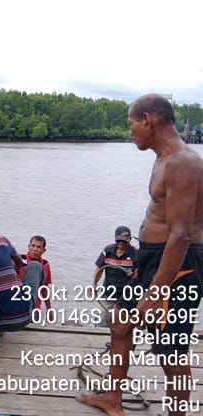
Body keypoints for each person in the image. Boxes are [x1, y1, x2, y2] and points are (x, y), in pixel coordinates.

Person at [78, 94, 203, 416]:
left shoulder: (183, 162)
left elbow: (181, 234)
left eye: (132, 124)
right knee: (120, 323)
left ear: (149, 120)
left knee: (170, 352)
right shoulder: (163, 158)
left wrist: (157, 289)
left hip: (178, 266)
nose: (130, 131)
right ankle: (113, 398)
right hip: (151, 259)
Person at [0, 222, 44, 332]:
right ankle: (32, 313)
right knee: (35, 265)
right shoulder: (1, 241)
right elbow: (18, 261)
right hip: (22, 318)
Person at [93, 226, 138, 326]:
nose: (121, 243)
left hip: (126, 297)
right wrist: (94, 284)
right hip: (108, 294)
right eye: (118, 241)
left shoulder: (136, 254)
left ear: (130, 239)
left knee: (123, 324)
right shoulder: (108, 250)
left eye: (124, 241)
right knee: (102, 320)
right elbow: (99, 269)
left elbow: (140, 275)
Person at [18, 235, 52, 317]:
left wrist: (49, 309)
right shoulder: (19, 261)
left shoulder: (45, 265)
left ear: (44, 250)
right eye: (33, 246)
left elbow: (44, 288)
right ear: (28, 246)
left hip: (35, 310)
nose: (35, 249)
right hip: (18, 306)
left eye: (38, 247)